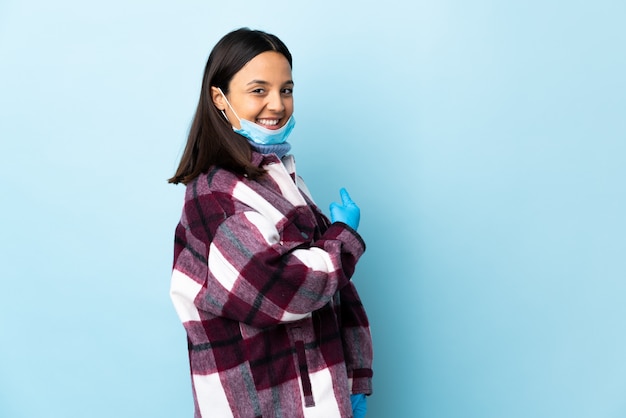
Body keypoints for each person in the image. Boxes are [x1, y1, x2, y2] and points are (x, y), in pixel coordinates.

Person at [168, 27, 373, 418]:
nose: (276, 105)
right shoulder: (217, 194)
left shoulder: (278, 177)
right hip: (263, 405)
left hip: (318, 399)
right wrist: (342, 240)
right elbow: (279, 290)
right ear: (220, 98)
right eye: (259, 90)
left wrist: (354, 381)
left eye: (287, 90)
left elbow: (334, 297)